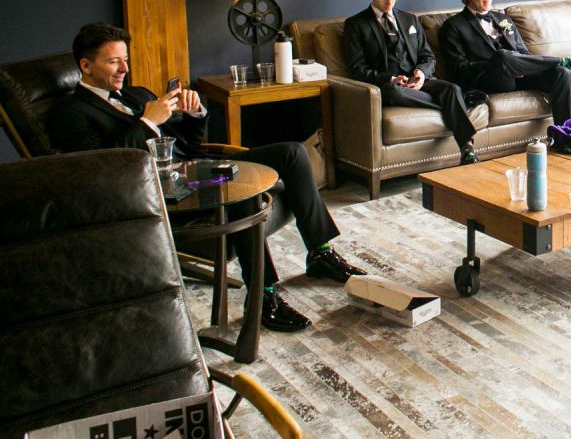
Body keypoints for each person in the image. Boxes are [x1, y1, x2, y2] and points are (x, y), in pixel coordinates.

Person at [50, 23, 365, 333]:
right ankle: (264, 298)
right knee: (241, 192)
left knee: (293, 153)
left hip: (198, 168)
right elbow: (100, 170)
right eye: (113, 61)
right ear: (86, 66)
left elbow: (190, 145)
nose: (124, 69)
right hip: (163, 193)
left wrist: (195, 113)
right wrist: (147, 122)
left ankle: (320, 252)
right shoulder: (70, 113)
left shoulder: (135, 94)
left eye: (126, 59)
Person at [344, 0, 481, 164]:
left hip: (418, 83)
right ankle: (456, 103)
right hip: (391, 85)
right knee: (394, 92)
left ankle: (467, 148)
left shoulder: (409, 20)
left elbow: (429, 57)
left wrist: (421, 74)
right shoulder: (356, 25)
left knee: (451, 88)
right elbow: (357, 69)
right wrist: (391, 78)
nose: (389, 3)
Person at [439, 0, 571, 125]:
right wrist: (500, 64)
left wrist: (520, 65)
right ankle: (564, 61)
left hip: (519, 76)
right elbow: (459, 69)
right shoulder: (453, 26)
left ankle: (564, 132)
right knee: (503, 56)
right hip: (489, 80)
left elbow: (522, 52)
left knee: (561, 73)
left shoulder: (503, 19)